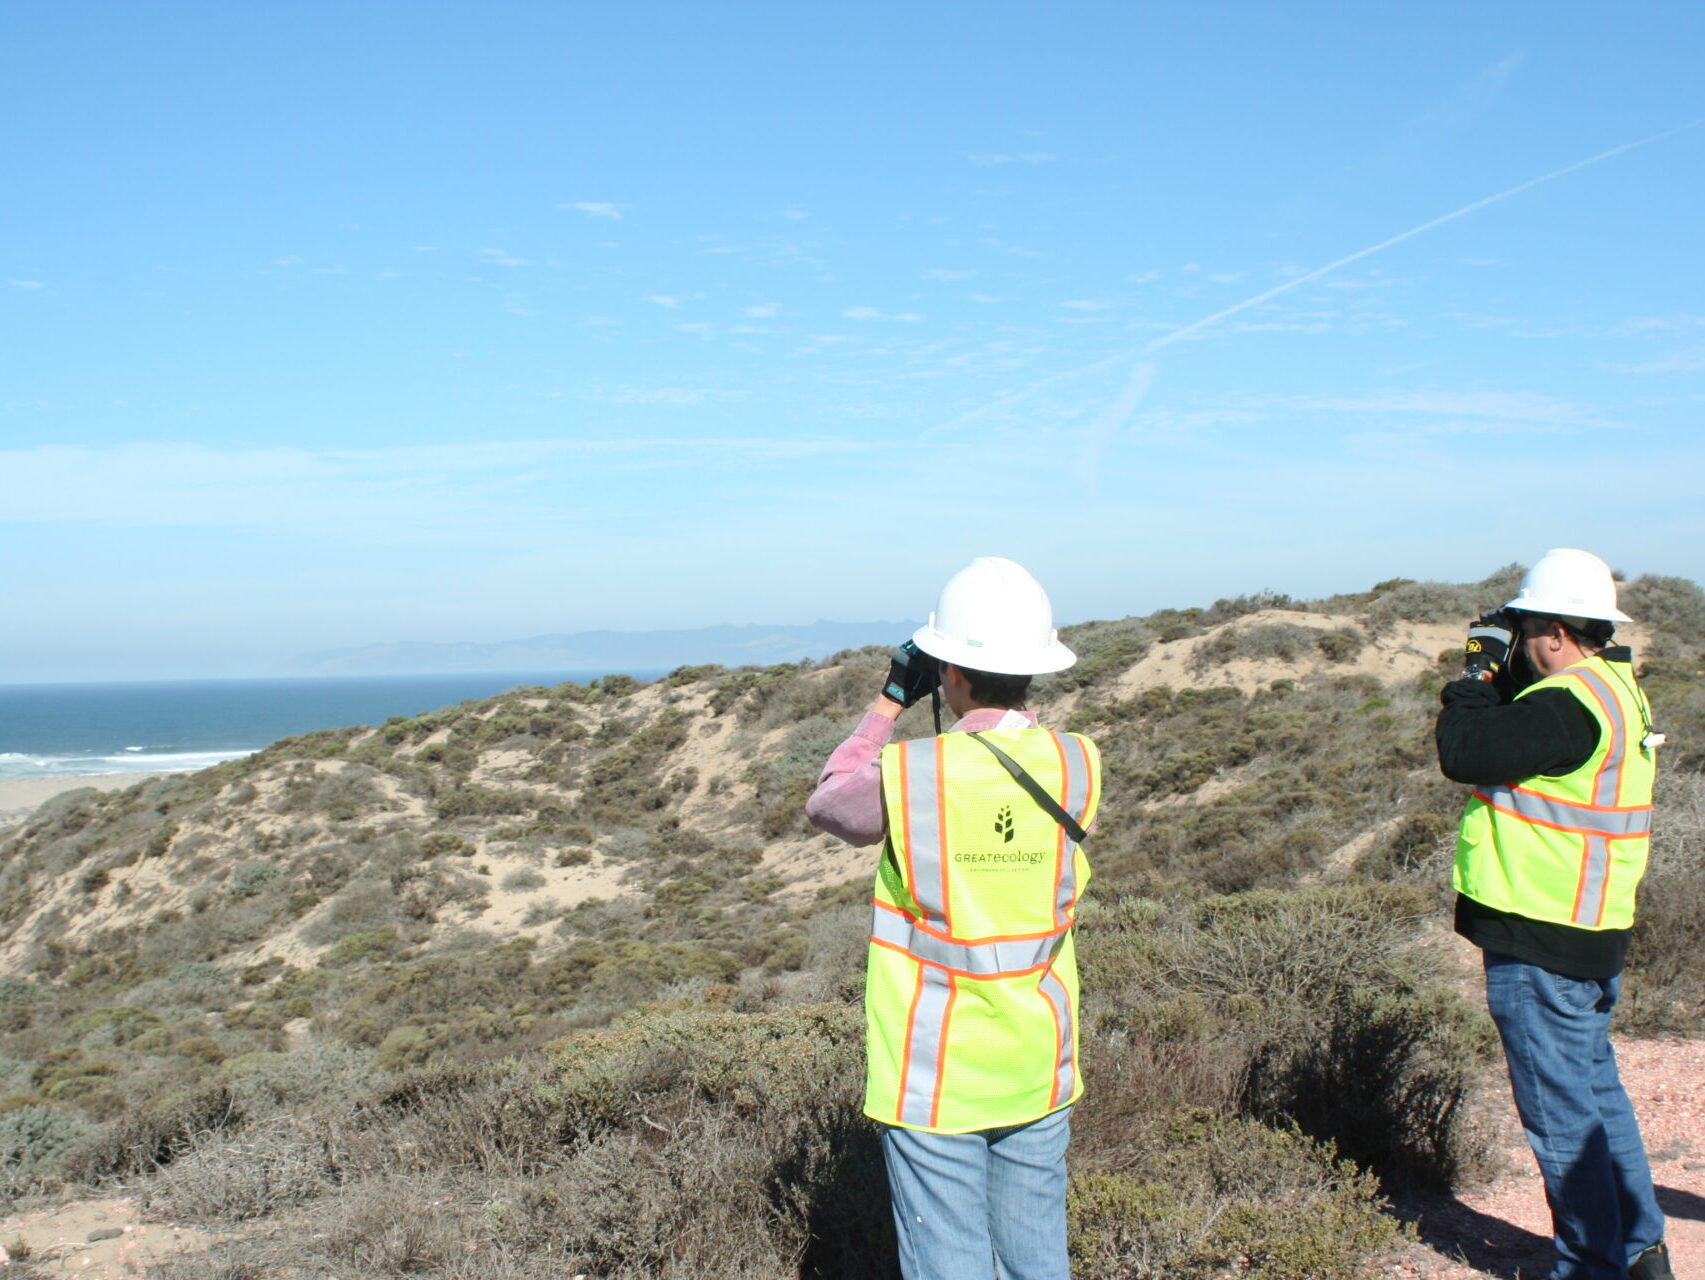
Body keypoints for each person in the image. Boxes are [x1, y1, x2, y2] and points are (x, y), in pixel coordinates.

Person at [805, 556, 1100, 1280]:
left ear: (951, 673)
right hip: (1037, 1050)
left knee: (950, 1262)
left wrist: (886, 705)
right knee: (1035, 1254)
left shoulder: (913, 772)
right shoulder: (1077, 763)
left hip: (932, 1064)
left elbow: (830, 803)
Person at [1437, 548, 1672, 1280]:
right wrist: (1503, 673)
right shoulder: (1611, 688)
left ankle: (1590, 1266)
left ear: (1551, 632)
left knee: (1562, 1119)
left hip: (1539, 934)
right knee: (1595, 1097)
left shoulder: (1563, 705)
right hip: (1587, 927)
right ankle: (1639, 1251)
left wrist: (1474, 678)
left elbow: (1464, 749)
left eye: (1524, 630)